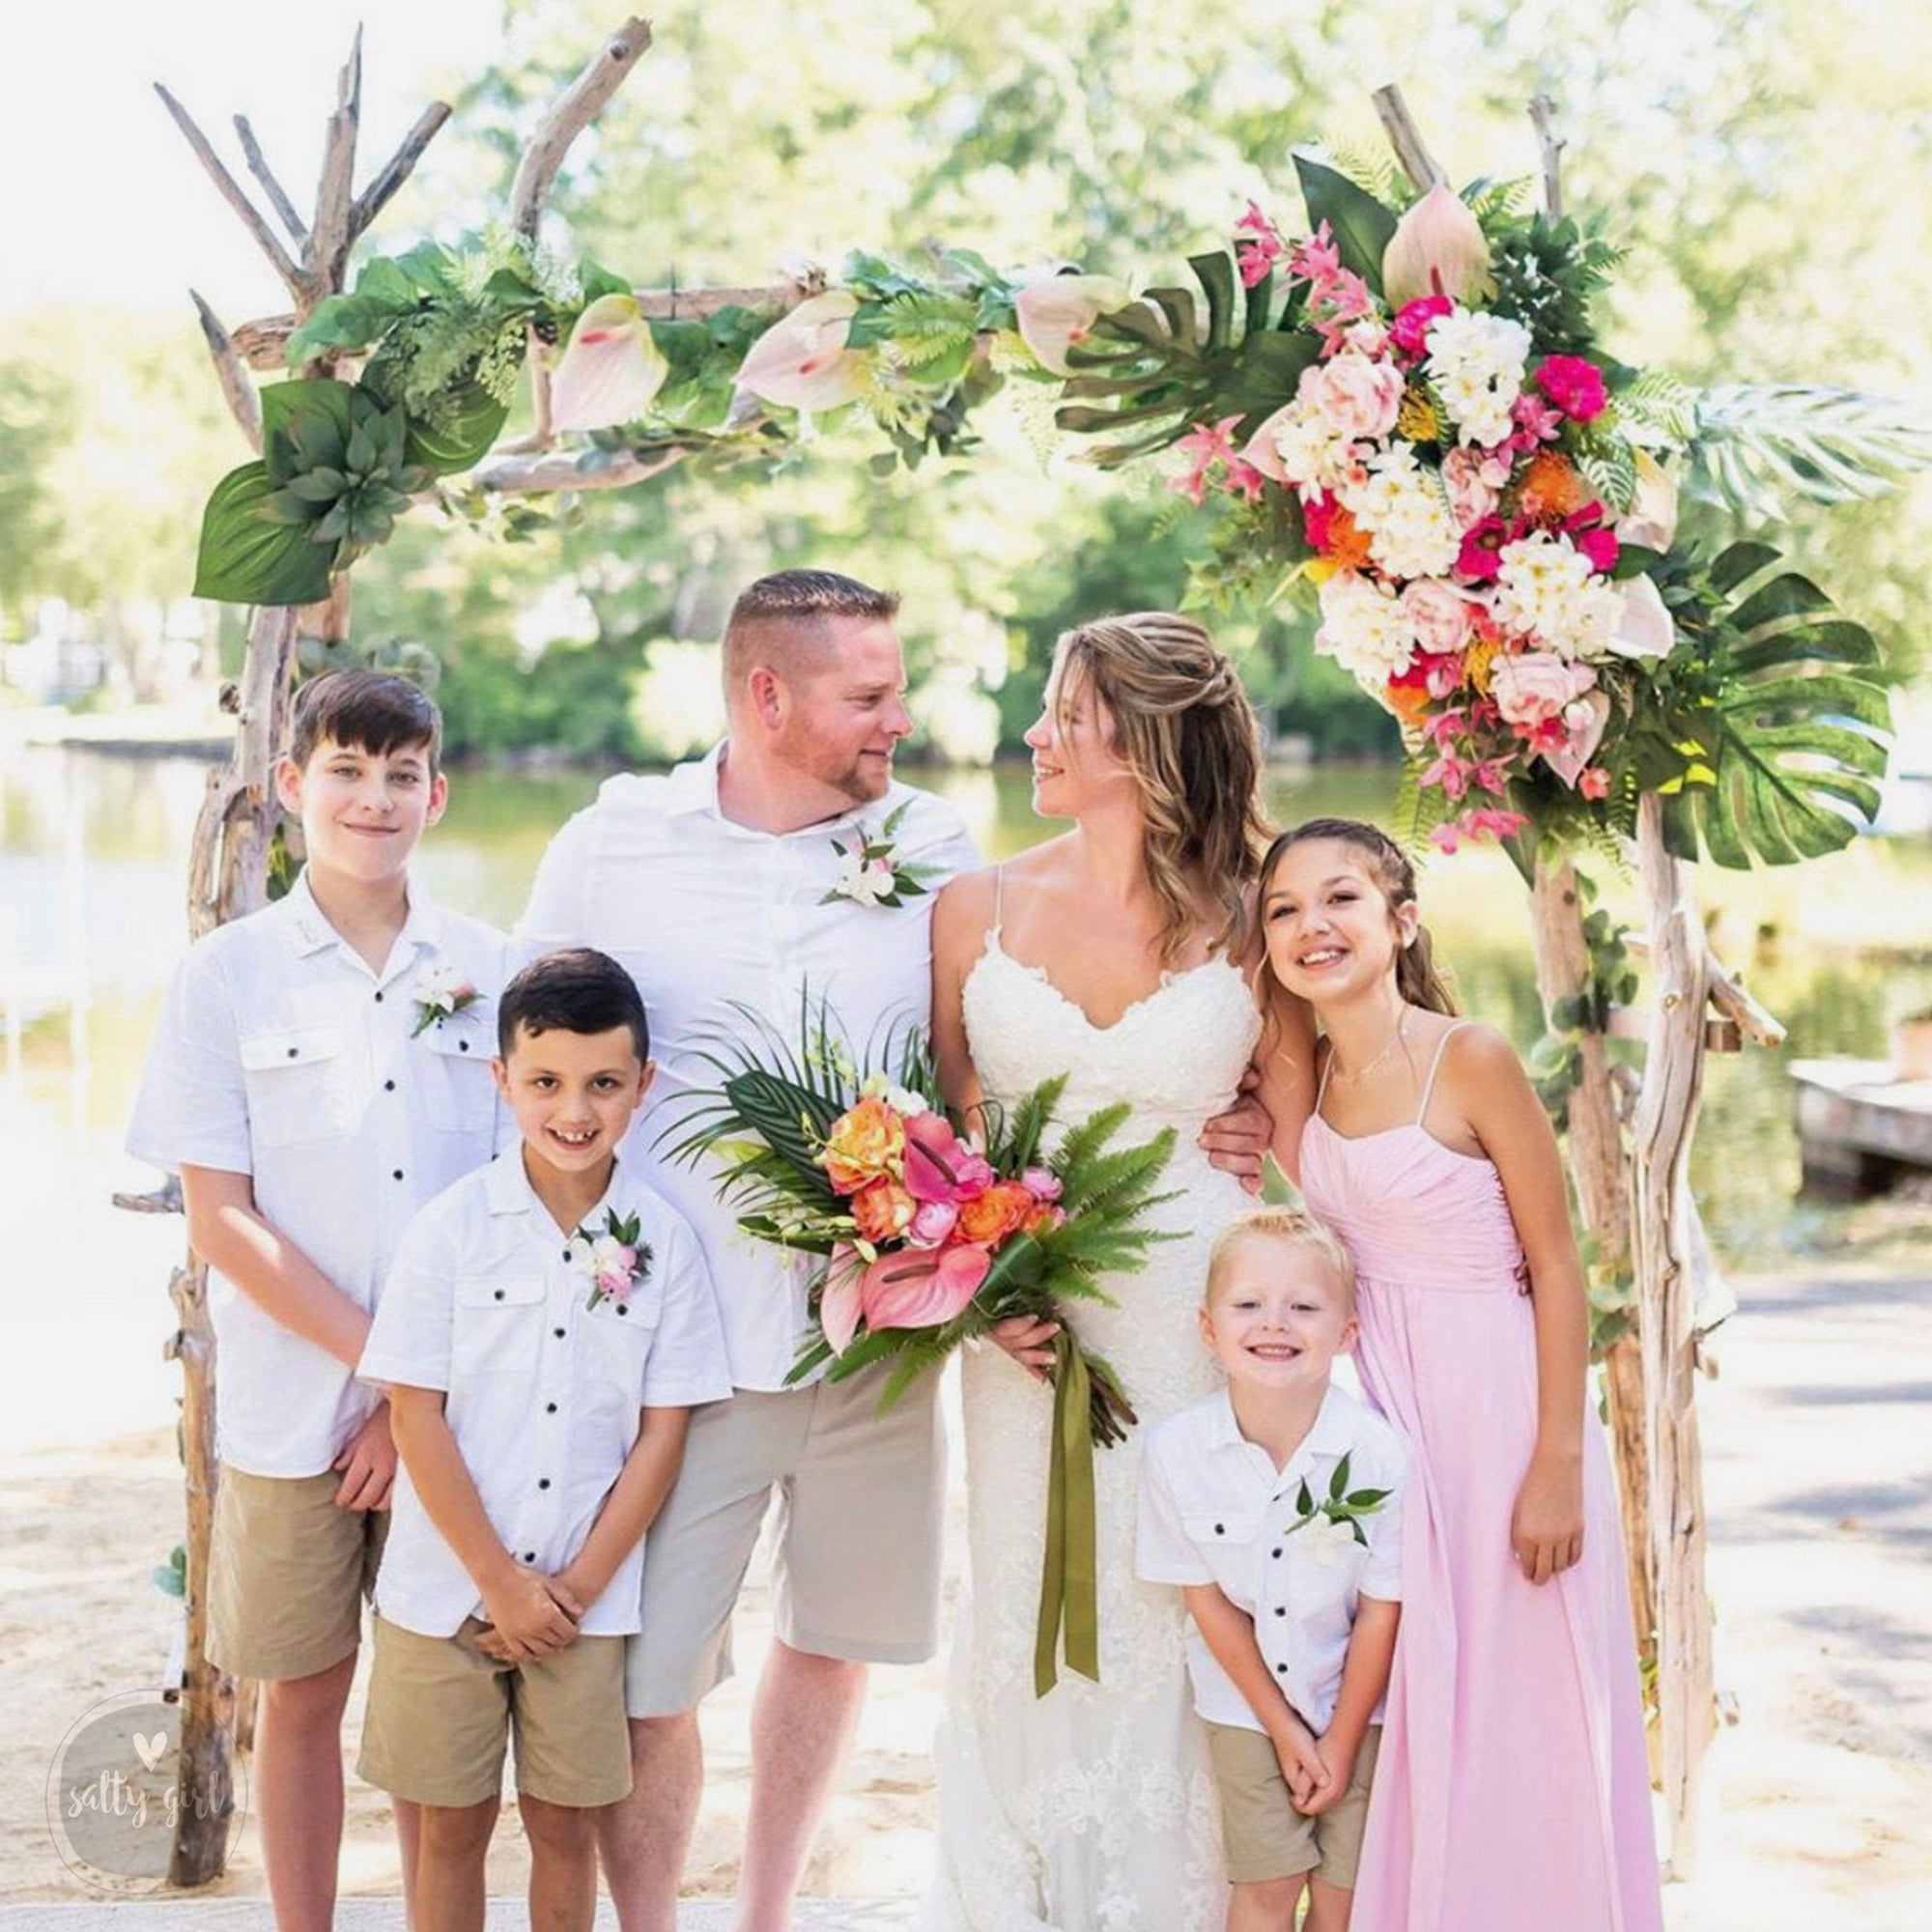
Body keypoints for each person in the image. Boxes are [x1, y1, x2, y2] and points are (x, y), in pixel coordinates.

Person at [516, 571, 1272, 1931]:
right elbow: (517, 1070)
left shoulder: (932, 844)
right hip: (682, 1344)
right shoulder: (613, 840)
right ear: (767, 695)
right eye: (868, 696)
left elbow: (962, 1094)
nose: (900, 718)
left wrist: (1253, 1114)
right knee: (660, 1676)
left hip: (891, 1339)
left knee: (843, 1639)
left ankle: (764, 1916)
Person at [922, 611, 1312, 1932]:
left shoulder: (1263, 919)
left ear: (1141, 743)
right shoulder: (973, 907)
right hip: (1028, 1333)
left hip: (1195, 1325)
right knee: (1024, 1597)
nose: (1035, 734)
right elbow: (933, 1157)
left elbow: (1320, 1140)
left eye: (1062, 712)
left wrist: (1263, 1139)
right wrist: (979, 1298)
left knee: (1182, 1601)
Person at [125, 668, 507, 1932]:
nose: (374, 798)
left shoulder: (492, 972)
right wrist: (384, 1380)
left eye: (402, 775)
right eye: (346, 770)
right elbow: (222, 1218)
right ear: (292, 790)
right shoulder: (225, 976)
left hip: (454, 1420)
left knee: (428, 1701)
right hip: (294, 1414)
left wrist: (415, 1407)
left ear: (437, 796)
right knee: (299, 1693)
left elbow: (519, 1208)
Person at [1259, 817, 1663, 1932]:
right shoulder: (1305, 1074)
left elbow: (1554, 1258)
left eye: (1338, 898)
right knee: (1421, 1694)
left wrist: (1554, 1462)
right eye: (1284, 908)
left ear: (1401, 921)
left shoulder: (1467, 1054)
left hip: (1494, 1411)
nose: (1310, 926)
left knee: (1514, 1695)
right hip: (1385, 1412)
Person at [356, 949, 731, 1932]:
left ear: (642, 1084)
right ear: (501, 1080)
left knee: (566, 1827)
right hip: (445, 1589)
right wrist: (500, 1580)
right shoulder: (448, 1231)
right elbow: (414, 1413)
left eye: (604, 1083)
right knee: (448, 1827)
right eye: (546, 1082)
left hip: (584, 1604)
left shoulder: (664, 1238)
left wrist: (574, 1585)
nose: (575, 1109)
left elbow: (663, 1430)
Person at [1138, 1208, 1405, 1932]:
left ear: (1347, 1335)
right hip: (1245, 1709)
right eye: (1249, 1305)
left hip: (1360, 1706)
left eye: (1304, 1307)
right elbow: (1207, 1601)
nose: (1275, 1324)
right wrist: (1284, 1730)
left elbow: (1384, 1608)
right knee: (1270, 1882)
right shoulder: (1176, 1453)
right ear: (1208, 1328)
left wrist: (1341, 1740)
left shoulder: (1380, 1455)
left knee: (1348, 1893)